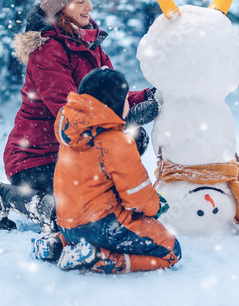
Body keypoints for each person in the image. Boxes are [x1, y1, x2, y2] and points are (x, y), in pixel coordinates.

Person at [0, 0, 159, 232]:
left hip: (74, 153)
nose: (90, 7)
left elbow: (110, 98)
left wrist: (148, 97)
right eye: (80, 0)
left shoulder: (91, 44)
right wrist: (127, 118)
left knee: (133, 138)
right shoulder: (46, 51)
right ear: (61, 7)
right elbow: (68, 111)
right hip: (37, 158)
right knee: (69, 216)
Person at [30, 67, 180, 273]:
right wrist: (154, 207)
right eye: (126, 98)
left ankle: (57, 244)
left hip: (67, 224)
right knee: (170, 249)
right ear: (115, 104)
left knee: (85, 224)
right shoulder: (116, 142)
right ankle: (99, 257)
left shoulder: (70, 136)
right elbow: (138, 197)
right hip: (102, 226)